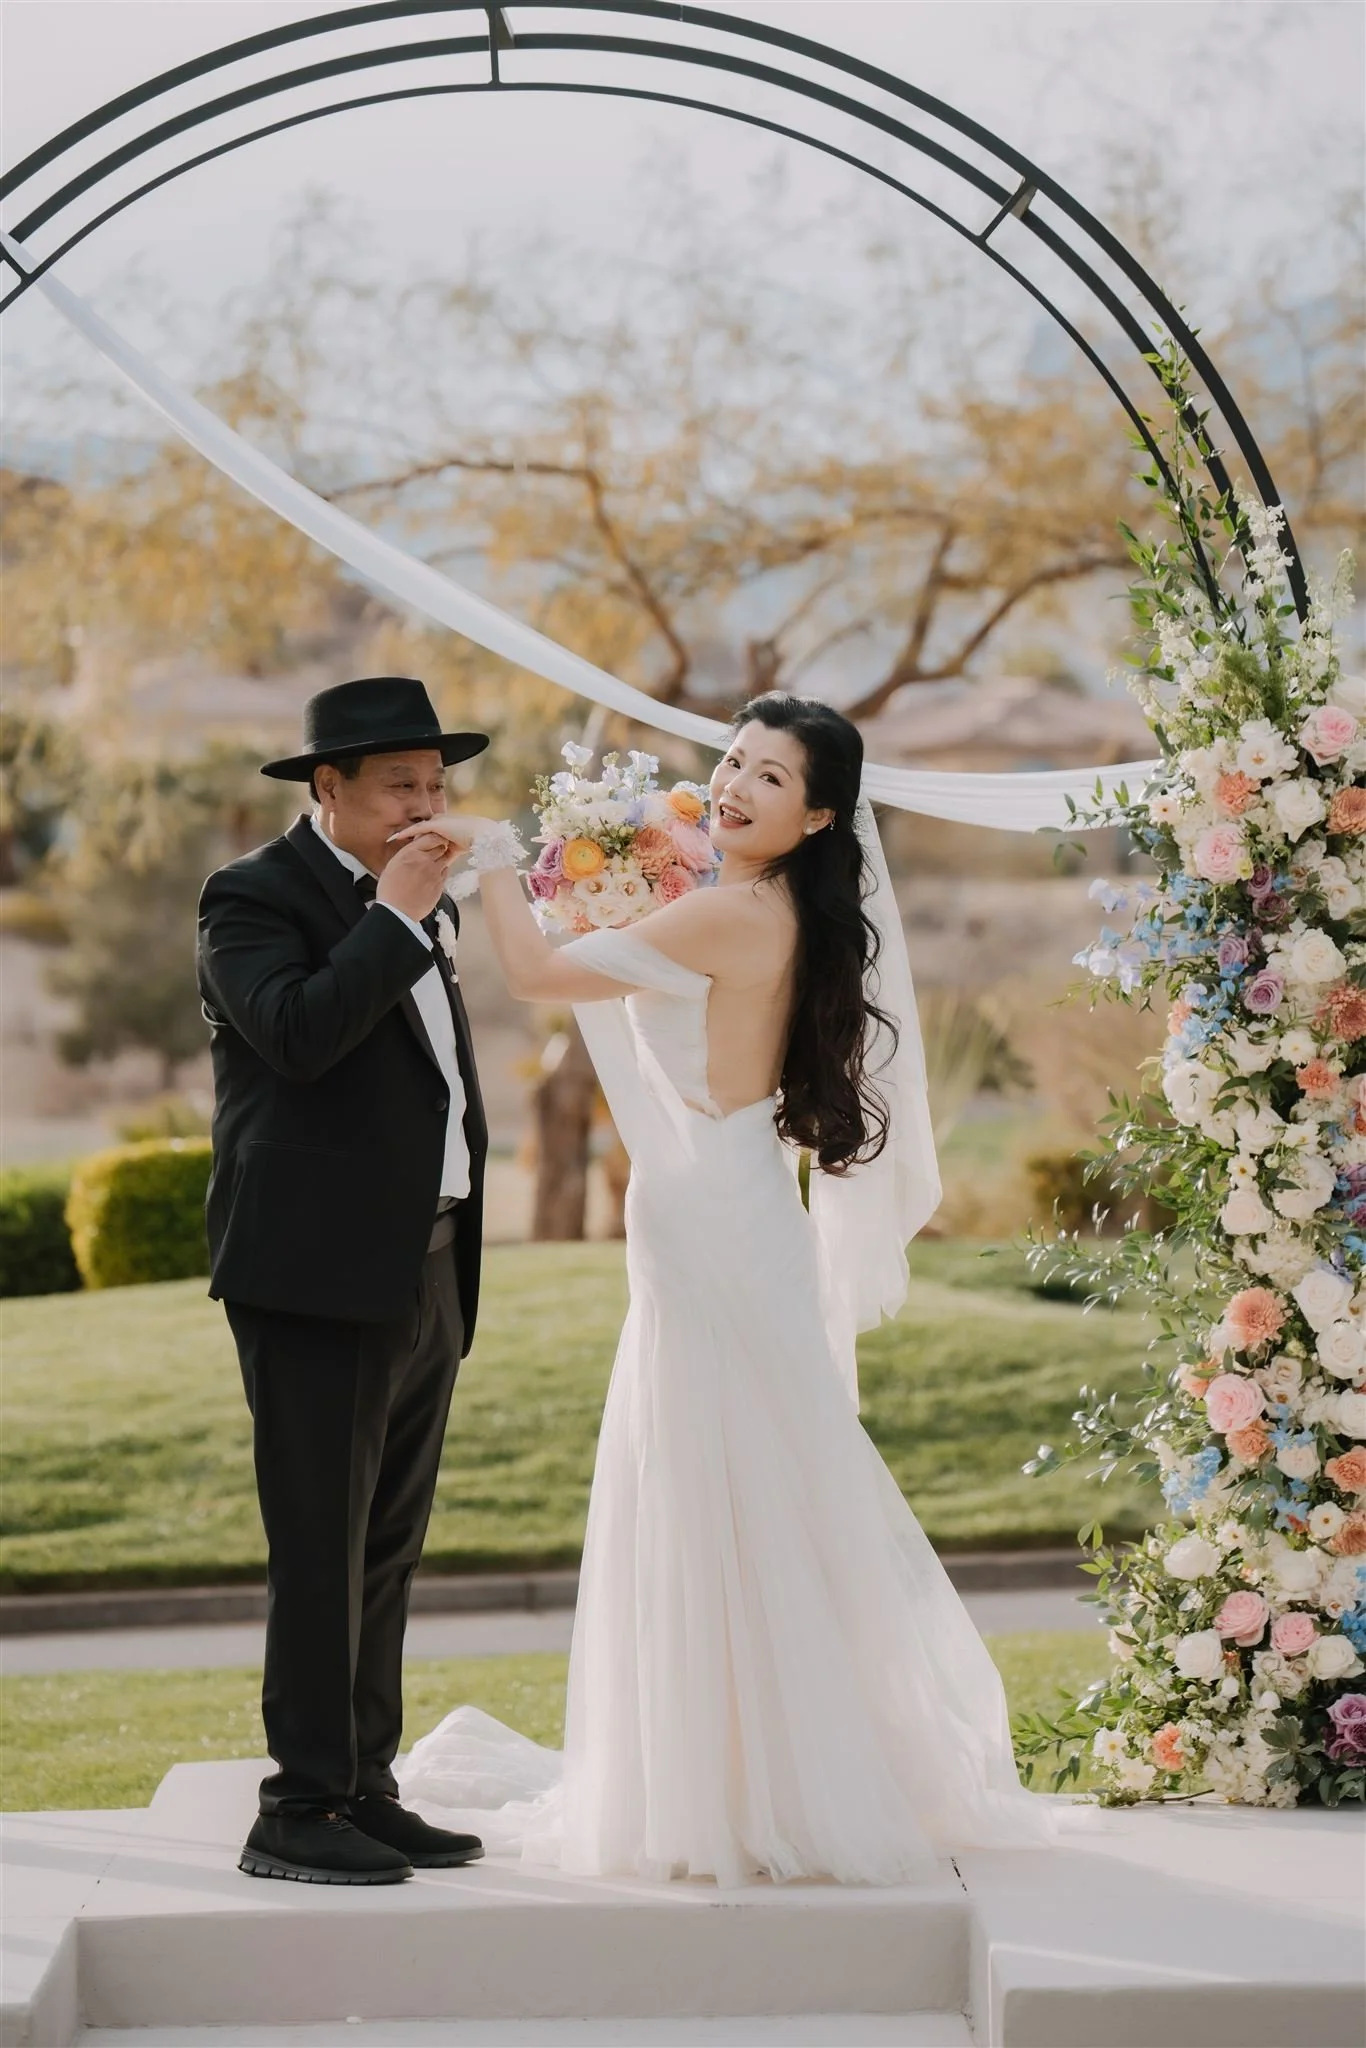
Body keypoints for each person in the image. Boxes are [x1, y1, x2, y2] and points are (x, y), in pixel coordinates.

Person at [393, 692, 1053, 1888]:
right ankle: (744, 1760)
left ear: (817, 816)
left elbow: (538, 973)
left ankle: (722, 1780)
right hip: (728, 1195)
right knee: (745, 1471)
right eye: (734, 761)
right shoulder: (767, 904)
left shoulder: (728, 911)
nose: (739, 785)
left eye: (772, 778)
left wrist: (492, 855)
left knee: (712, 1473)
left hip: (709, 1215)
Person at [196, 675, 491, 1885]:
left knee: (386, 1542)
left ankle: (365, 1783)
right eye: (398, 786)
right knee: (320, 1542)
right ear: (328, 788)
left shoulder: (420, 897)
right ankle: (298, 1804)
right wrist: (398, 909)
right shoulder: (250, 896)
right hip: (314, 1270)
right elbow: (301, 1035)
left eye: (436, 782)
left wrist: (412, 904)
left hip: (424, 1260)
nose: (426, 804)